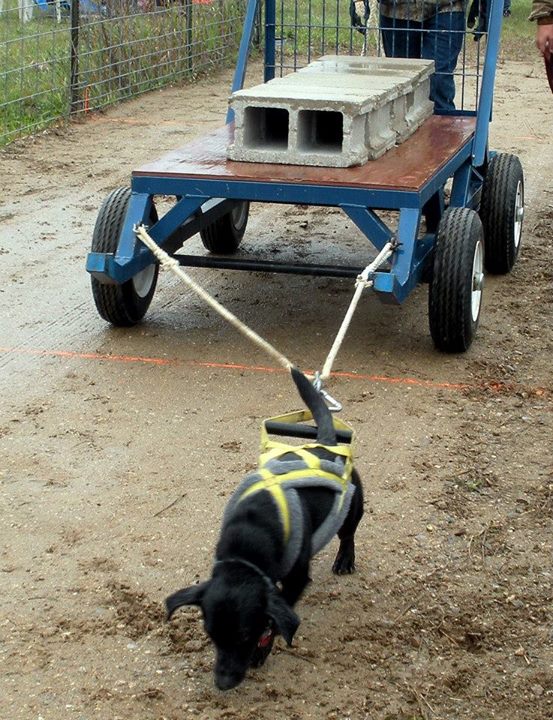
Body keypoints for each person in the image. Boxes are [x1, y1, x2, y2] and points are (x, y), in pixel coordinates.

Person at [378, 0, 467, 112]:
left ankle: (441, 125)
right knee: (403, 81)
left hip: (448, 7)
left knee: (438, 78)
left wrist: (484, 7)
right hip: (396, 10)